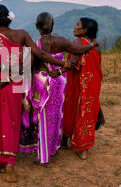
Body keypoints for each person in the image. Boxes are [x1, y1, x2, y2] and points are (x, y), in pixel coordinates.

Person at [0, 5, 97, 183]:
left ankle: (0, 161)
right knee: (12, 122)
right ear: (10, 18)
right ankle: (10, 162)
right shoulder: (22, 34)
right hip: (15, 83)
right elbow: (40, 54)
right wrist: (62, 64)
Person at [19, 12, 95, 165]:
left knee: (42, 119)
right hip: (59, 82)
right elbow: (79, 51)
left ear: (36, 26)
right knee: (55, 117)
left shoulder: (36, 44)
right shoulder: (62, 41)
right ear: (52, 25)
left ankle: (43, 155)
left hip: (42, 83)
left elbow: (29, 66)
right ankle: (52, 149)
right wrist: (92, 44)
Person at [62, 17, 103, 160]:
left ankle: (66, 140)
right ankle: (83, 147)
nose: (74, 27)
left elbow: (72, 63)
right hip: (93, 84)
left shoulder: (79, 43)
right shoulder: (96, 45)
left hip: (78, 83)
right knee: (87, 111)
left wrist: (56, 66)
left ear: (84, 30)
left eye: (77, 25)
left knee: (71, 107)